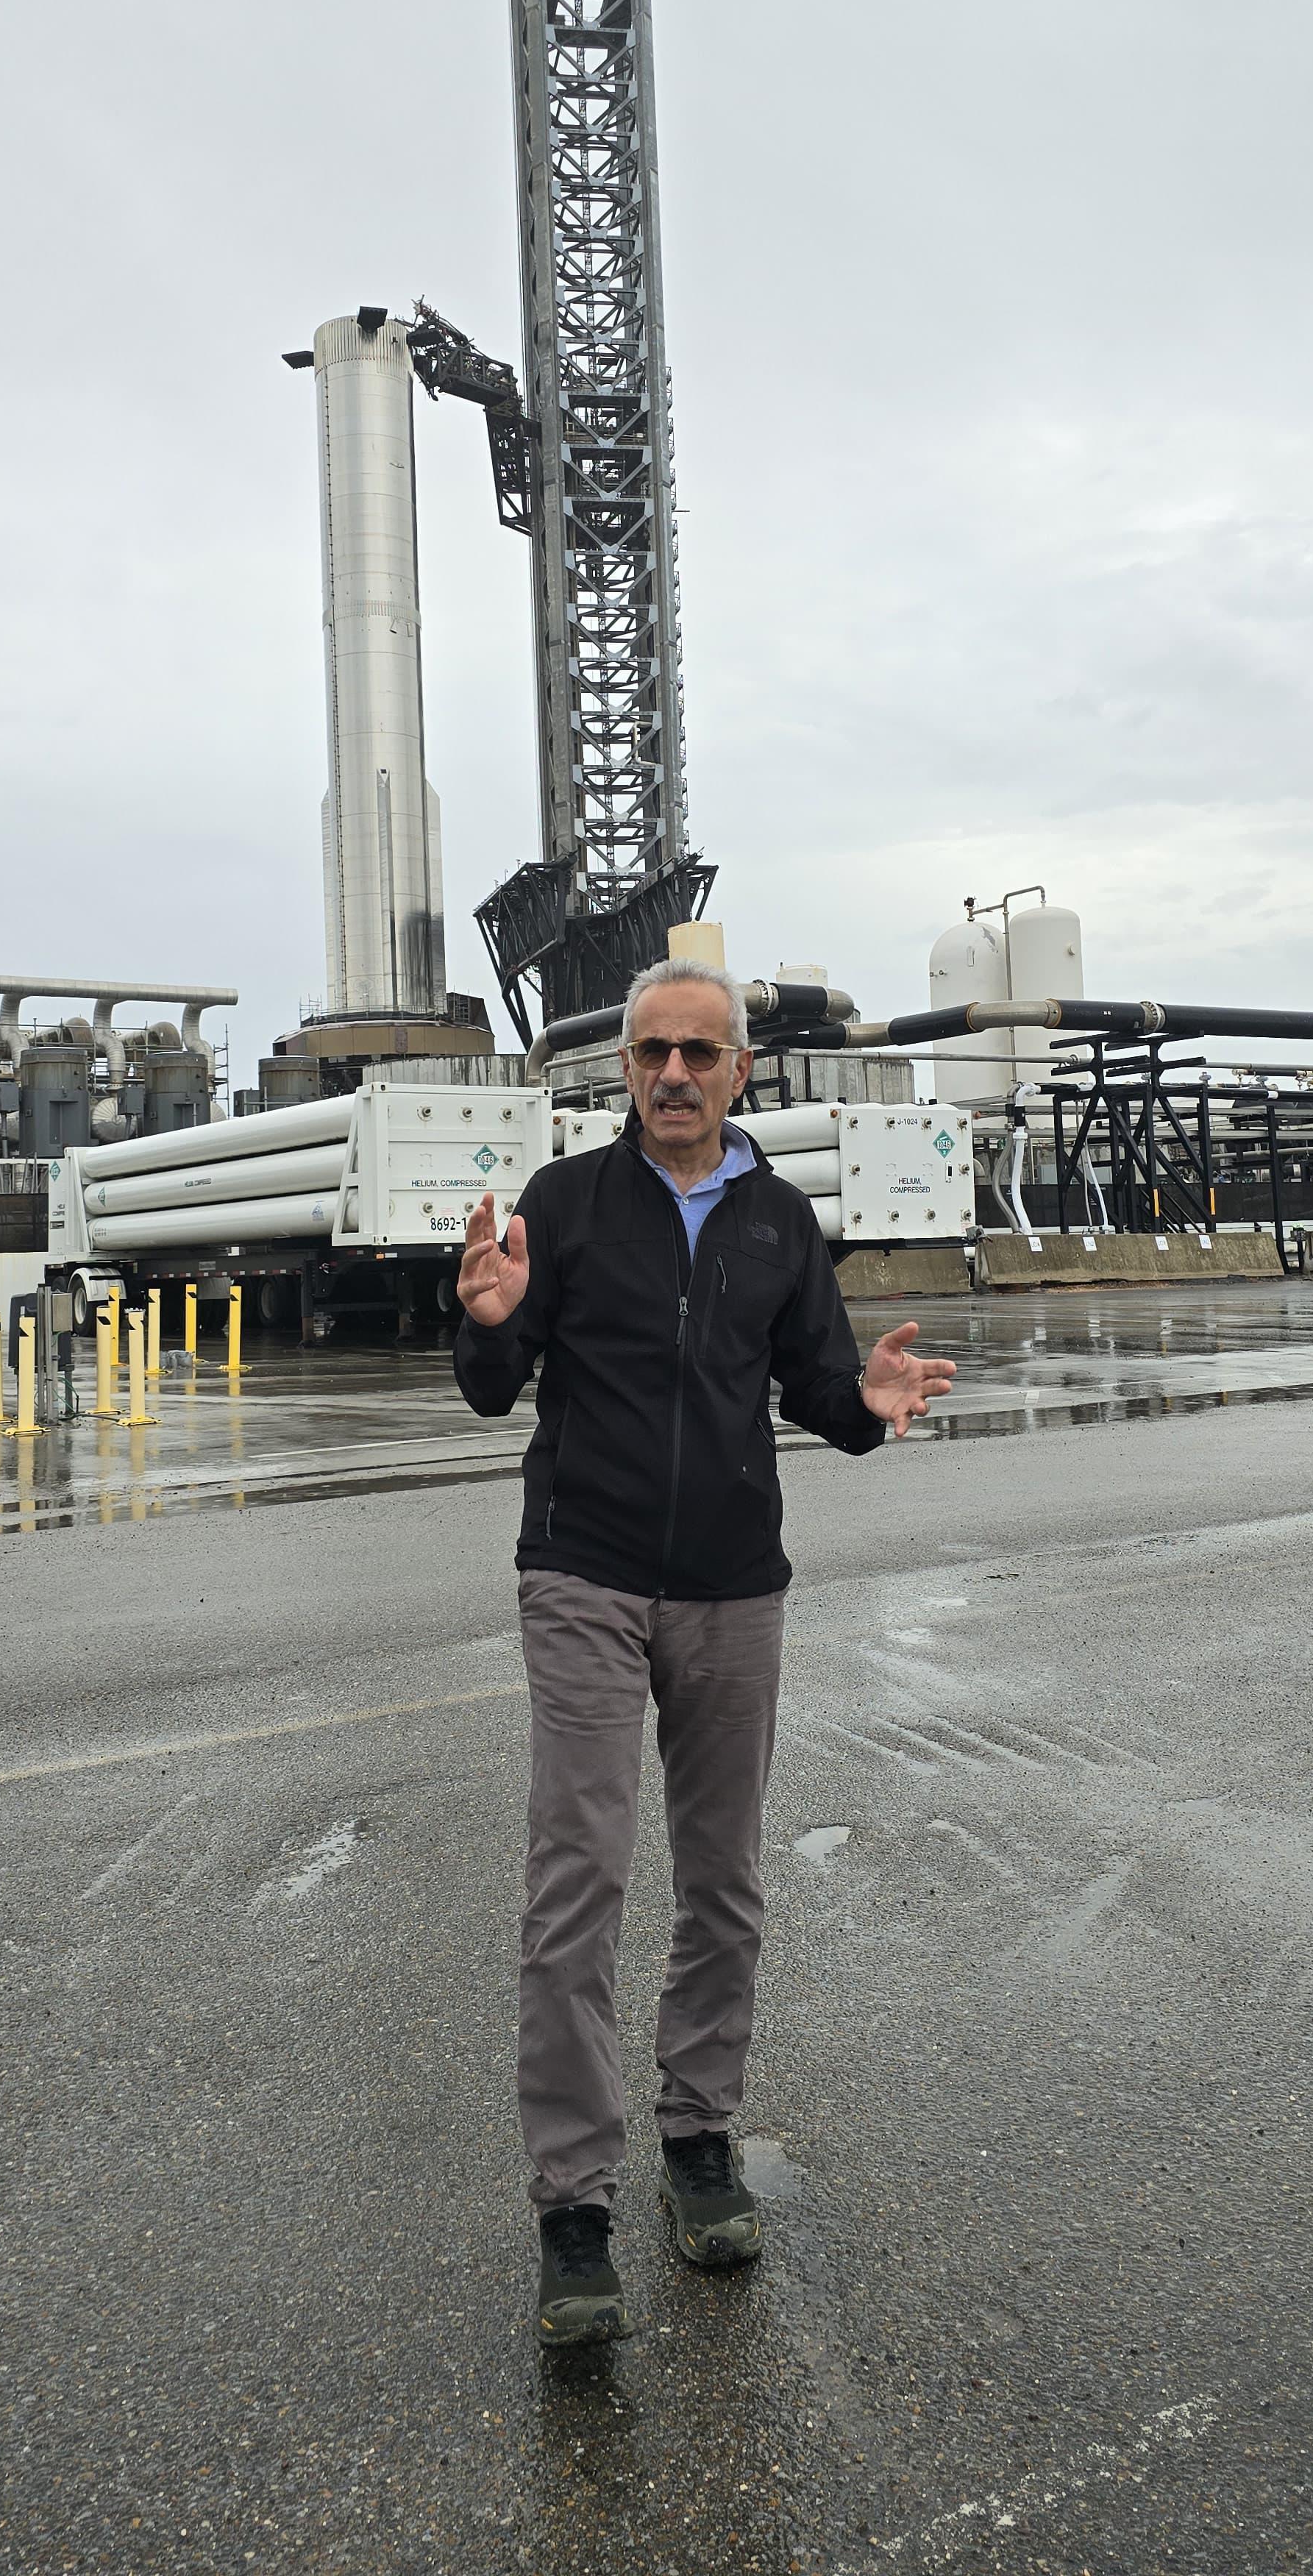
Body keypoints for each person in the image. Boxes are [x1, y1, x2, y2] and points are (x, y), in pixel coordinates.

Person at [454, 956, 958, 2348]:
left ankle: (698, 2138)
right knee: (578, 1883)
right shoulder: (565, 1203)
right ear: (623, 1069)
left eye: (698, 1053)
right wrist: (482, 1323)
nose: (672, 1075)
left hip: (734, 1586)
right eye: (650, 1054)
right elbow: (495, 1386)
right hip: (585, 1573)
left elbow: (818, 1386)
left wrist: (868, 1403)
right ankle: (572, 2205)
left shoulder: (781, 1220)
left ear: (741, 1069)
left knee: (724, 1881)